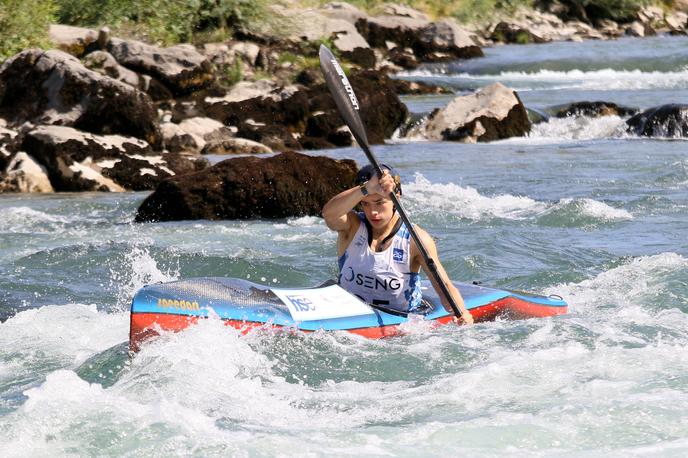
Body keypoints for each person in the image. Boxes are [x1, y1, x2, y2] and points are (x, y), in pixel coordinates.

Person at [322, 164, 473, 324]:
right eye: (366, 203)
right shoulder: (351, 227)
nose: (373, 212)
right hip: (350, 316)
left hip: (402, 325)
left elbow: (445, 287)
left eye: (379, 203)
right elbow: (328, 214)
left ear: (396, 198)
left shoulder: (416, 240)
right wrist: (366, 188)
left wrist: (462, 313)